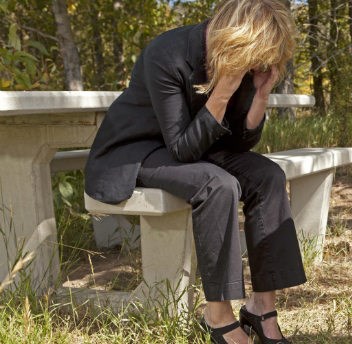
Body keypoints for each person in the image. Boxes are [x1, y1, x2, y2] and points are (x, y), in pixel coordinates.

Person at [84, 1, 305, 343]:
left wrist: (260, 95)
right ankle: (218, 317)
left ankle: (262, 307)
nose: (257, 63)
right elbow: (181, 149)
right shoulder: (167, 54)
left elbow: (240, 142)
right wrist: (224, 89)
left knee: (268, 176)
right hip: (139, 149)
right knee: (217, 185)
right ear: (235, 38)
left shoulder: (245, 58)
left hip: (200, 148)